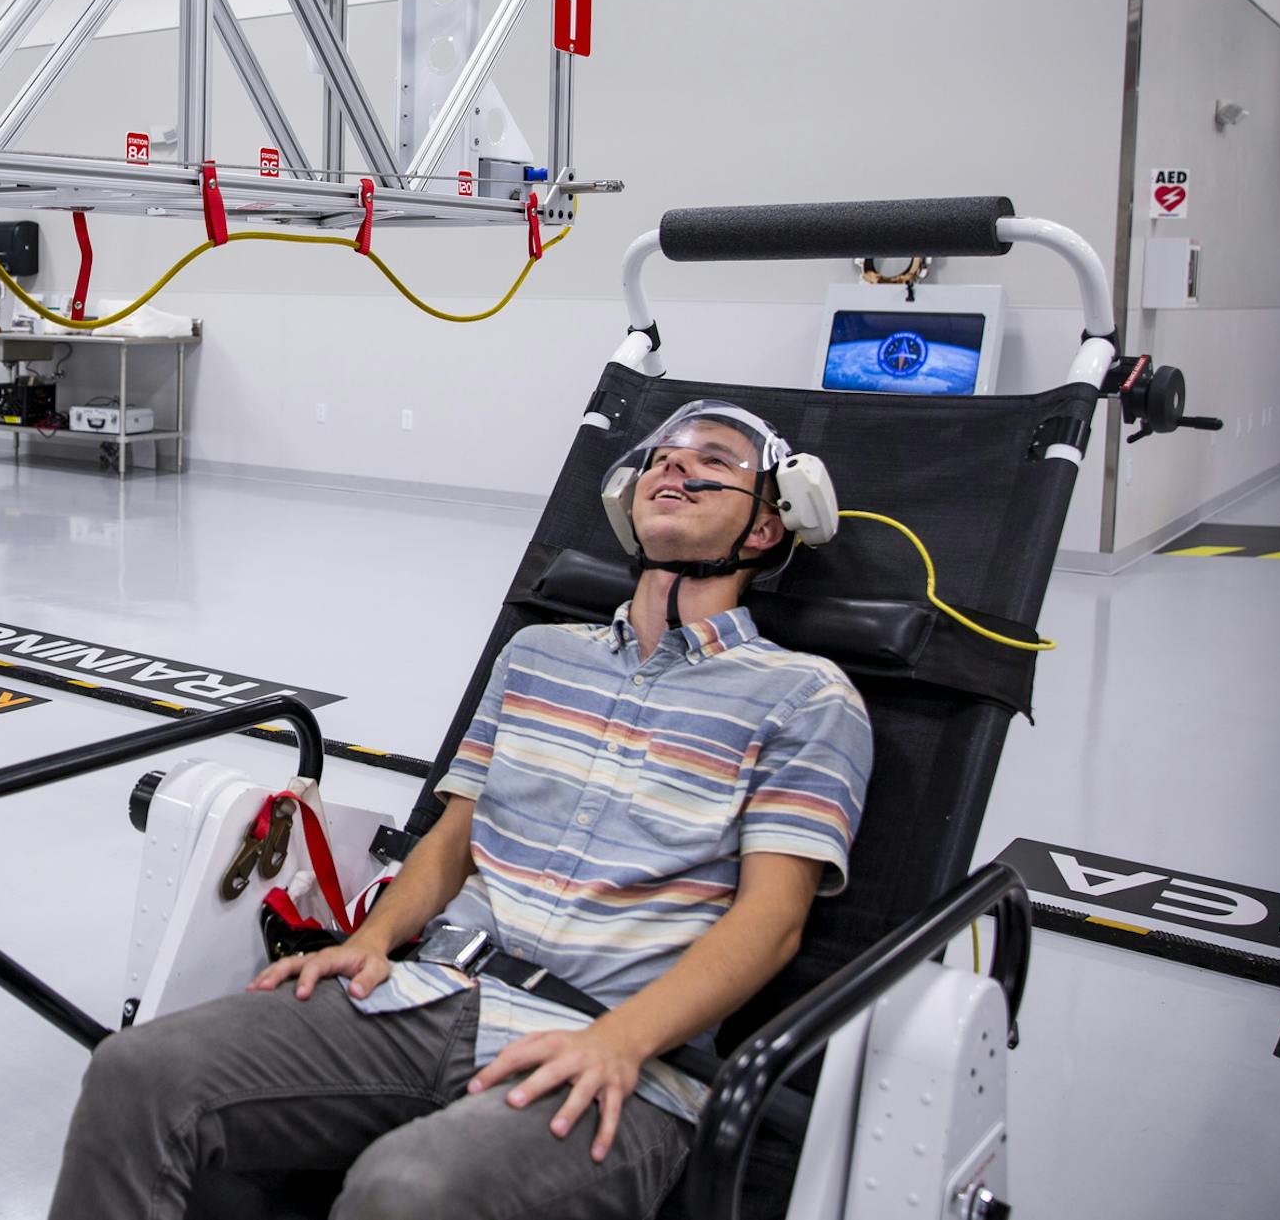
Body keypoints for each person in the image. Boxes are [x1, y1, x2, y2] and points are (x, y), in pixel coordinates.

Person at [48, 402, 874, 1220]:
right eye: (660, 457)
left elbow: (772, 921)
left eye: (715, 461)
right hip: (427, 992)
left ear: (768, 527)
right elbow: (454, 837)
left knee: (409, 1190)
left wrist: (621, 1040)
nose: (675, 468)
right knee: (137, 1069)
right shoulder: (538, 654)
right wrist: (368, 941)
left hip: (614, 1052)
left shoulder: (803, 697)